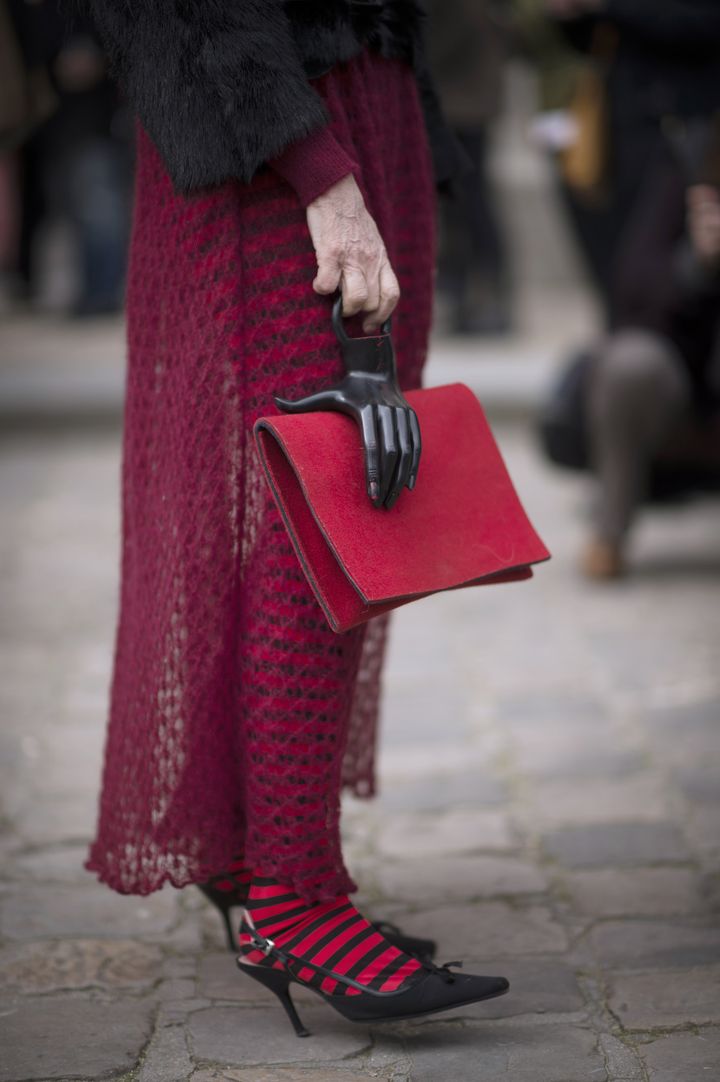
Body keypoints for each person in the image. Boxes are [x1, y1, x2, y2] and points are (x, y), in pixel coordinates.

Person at [83, 0, 509, 1037]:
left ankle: (266, 855)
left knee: (344, 502)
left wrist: (401, 136)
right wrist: (316, 165)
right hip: (277, 118)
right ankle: (291, 897)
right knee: (314, 512)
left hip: (369, 103)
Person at [583, 143, 720, 578]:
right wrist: (696, 264)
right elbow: (630, 290)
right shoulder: (687, 169)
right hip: (678, 387)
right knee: (629, 364)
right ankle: (610, 536)